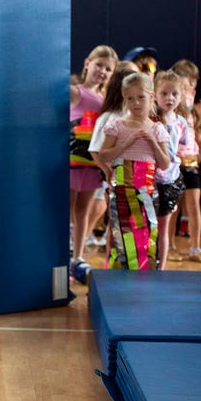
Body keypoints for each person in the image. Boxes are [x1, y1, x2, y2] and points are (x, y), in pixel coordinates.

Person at [99, 72, 170, 270]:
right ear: (124, 99)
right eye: (130, 98)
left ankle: (143, 277)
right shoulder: (117, 125)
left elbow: (165, 164)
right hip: (121, 188)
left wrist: (154, 144)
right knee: (121, 234)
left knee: (146, 233)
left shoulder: (157, 128)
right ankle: (115, 278)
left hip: (146, 191)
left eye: (141, 97)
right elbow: (104, 155)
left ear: (151, 97)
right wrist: (125, 144)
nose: (136, 103)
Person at [69, 45, 118, 281]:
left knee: (84, 214)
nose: (102, 71)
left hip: (91, 165)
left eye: (108, 69)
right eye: (99, 65)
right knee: (67, 211)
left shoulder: (104, 101)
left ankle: (76, 257)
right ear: (87, 63)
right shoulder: (73, 92)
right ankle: (62, 254)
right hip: (69, 162)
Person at [87, 63, 139, 269]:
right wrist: (108, 171)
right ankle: (112, 265)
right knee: (116, 224)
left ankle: (131, 264)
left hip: (140, 180)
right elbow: (95, 150)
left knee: (134, 224)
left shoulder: (137, 118)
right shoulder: (109, 118)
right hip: (118, 178)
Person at [167, 59, 201, 263]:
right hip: (173, 166)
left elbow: (198, 136)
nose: (192, 87)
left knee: (194, 205)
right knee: (173, 207)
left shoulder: (194, 110)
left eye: (194, 83)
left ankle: (195, 248)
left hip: (192, 164)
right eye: (188, 83)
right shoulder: (171, 110)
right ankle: (169, 245)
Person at [153, 71, 187, 269]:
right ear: (155, 95)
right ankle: (146, 263)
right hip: (149, 178)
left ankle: (162, 267)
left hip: (170, 179)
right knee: (149, 226)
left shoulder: (181, 122)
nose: (169, 98)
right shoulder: (151, 119)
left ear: (180, 97)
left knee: (164, 226)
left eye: (174, 94)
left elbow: (183, 144)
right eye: (164, 93)